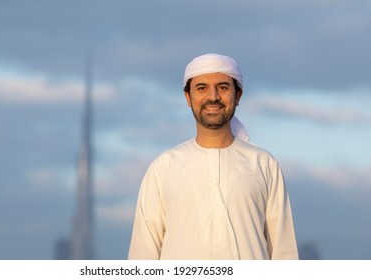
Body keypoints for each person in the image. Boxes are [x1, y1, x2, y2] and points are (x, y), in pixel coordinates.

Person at [128, 53, 298, 260]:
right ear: (188, 97)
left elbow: (284, 251)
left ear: (238, 95)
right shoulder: (164, 167)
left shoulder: (263, 164)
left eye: (223, 87)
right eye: (201, 88)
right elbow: (142, 253)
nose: (213, 97)